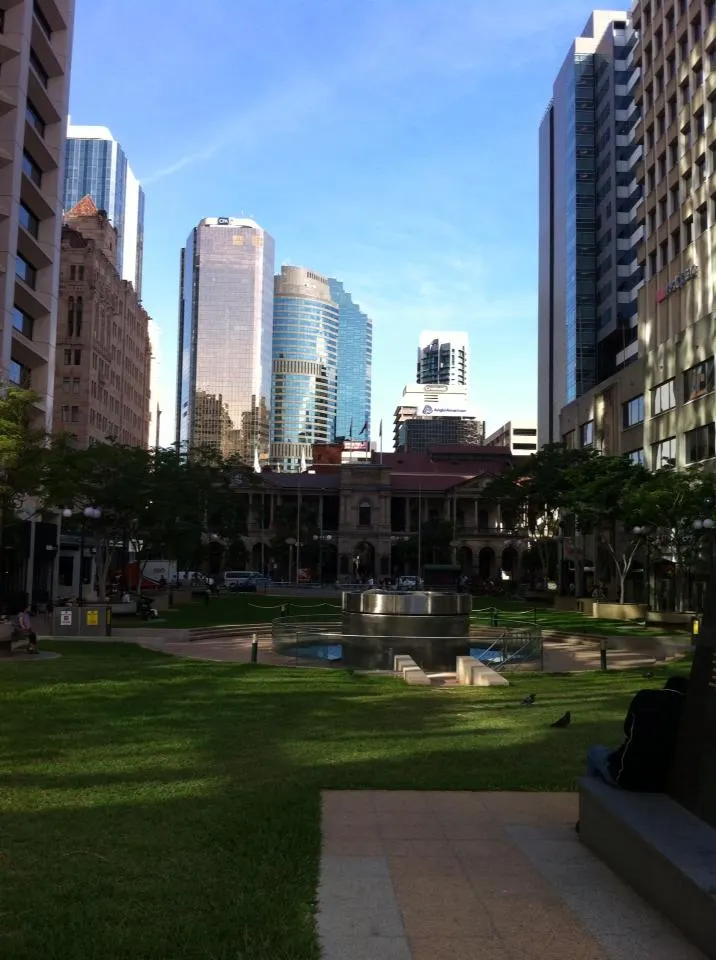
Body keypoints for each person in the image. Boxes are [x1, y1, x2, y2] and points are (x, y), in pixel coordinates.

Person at [587, 676, 689, 791]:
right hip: (664, 781)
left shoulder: (645, 697)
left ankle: (594, 797)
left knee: (594, 752)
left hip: (628, 777)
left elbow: (627, 729)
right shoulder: (691, 710)